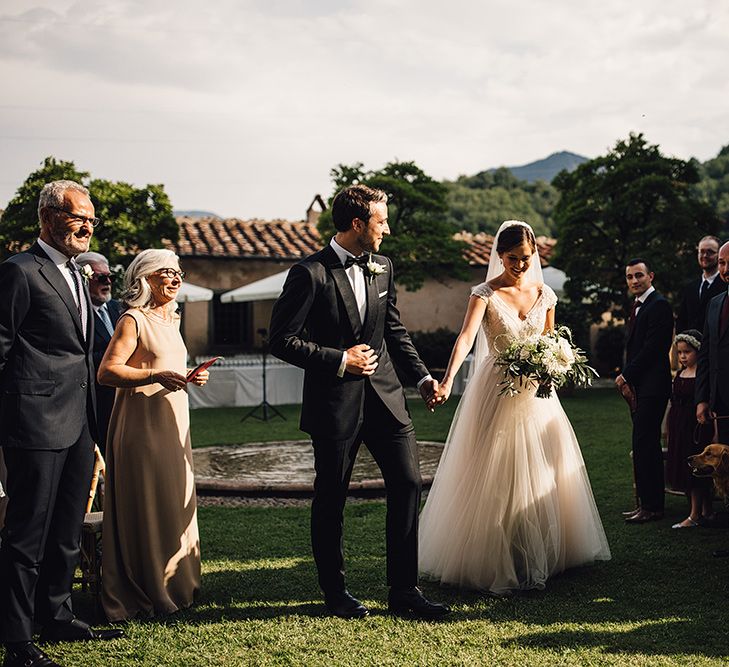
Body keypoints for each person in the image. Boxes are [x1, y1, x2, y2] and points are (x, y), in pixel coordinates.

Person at [269, 184, 450, 620]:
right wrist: (339, 360)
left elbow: (393, 331)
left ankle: (404, 591)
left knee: (407, 484)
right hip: (335, 404)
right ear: (357, 224)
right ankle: (336, 593)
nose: (387, 228)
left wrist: (422, 377)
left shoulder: (384, 267)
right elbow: (281, 340)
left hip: (387, 398)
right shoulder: (308, 273)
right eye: (381, 221)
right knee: (331, 497)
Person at [418, 221, 610, 595]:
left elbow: (551, 340)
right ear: (499, 255)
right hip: (496, 390)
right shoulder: (484, 293)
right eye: (512, 258)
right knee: (493, 474)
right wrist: (446, 380)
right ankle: (495, 557)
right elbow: (466, 338)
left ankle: (541, 554)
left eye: (526, 258)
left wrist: (555, 366)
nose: (520, 265)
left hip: (537, 394)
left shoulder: (545, 294)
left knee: (541, 473)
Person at [0, 180, 123, 667]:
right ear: (49, 218)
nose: (88, 225)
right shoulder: (18, 272)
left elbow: (81, 352)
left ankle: (56, 615)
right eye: (79, 217)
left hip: (78, 423)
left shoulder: (79, 274)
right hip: (31, 424)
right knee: (27, 534)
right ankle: (17, 638)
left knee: (67, 531)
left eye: (92, 218)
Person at [98, 249, 208, 621]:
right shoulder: (133, 319)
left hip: (173, 422)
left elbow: (163, 363)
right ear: (146, 278)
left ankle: (178, 584)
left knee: (173, 499)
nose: (176, 279)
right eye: (166, 273)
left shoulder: (171, 320)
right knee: (148, 502)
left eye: (178, 272)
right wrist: (154, 376)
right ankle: (147, 589)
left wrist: (188, 374)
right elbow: (108, 371)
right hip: (141, 429)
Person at [616, 258, 674, 524]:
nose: (634, 281)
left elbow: (654, 349)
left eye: (639, 275)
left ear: (651, 276)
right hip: (641, 386)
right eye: (629, 277)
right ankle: (645, 504)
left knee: (646, 444)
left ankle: (653, 507)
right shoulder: (637, 306)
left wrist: (626, 374)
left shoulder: (659, 305)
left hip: (654, 386)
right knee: (642, 445)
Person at [76, 251, 124, 457]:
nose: (108, 282)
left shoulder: (120, 309)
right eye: (101, 278)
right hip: (94, 403)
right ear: (84, 279)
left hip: (122, 400)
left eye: (110, 277)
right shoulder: (78, 314)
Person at [665, 330, 713, 528]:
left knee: (697, 467)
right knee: (683, 465)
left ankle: (697, 514)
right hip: (679, 424)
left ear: (698, 351)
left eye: (687, 352)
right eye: (680, 352)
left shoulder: (703, 374)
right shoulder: (680, 373)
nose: (683, 356)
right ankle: (702, 511)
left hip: (695, 426)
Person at [696, 241, 729, 446]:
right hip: (722, 402)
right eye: (722, 263)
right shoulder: (715, 303)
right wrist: (702, 399)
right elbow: (705, 354)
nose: (726, 270)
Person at [676, 236, 723, 334]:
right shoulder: (690, 288)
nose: (705, 255)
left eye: (710, 252)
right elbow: (681, 322)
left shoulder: (725, 286)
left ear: (719, 255)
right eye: (701, 251)